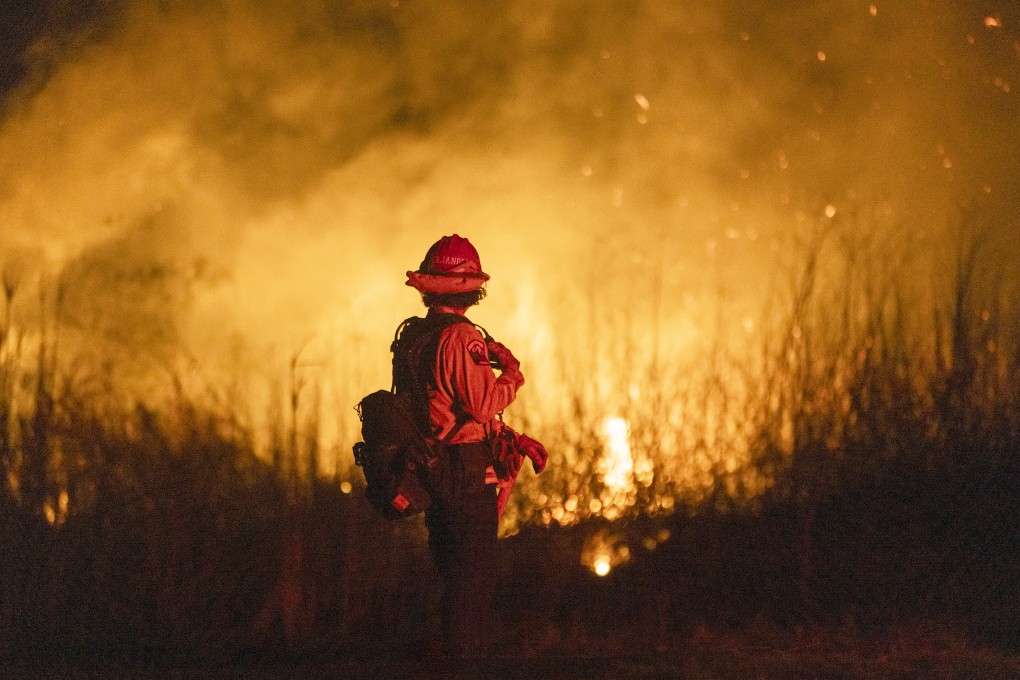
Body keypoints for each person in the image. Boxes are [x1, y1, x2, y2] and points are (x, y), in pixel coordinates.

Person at [393, 234, 546, 659]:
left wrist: (513, 440)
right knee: (474, 577)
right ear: (470, 288)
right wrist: (511, 372)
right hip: (463, 471)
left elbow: (439, 405)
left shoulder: (414, 335)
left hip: (431, 467)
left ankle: (441, 657)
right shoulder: (462, 338)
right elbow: (481, 405)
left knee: (451, 571)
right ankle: (459, 662)